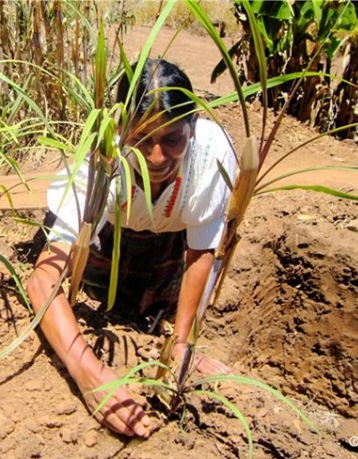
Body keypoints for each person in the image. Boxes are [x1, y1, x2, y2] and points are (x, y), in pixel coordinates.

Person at [26, 58, 237, 438]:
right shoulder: (98, 165)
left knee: (156, 310)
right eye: (142, 139)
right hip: (104, 243)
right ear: (121, 129)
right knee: (95, 297)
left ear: (193, 127)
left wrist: (181, 343)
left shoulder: (212, 156)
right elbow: (42, 283)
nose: (157, 158)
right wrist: (89, 373)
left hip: (166, 248)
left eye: (173, 139)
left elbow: (200, 252)